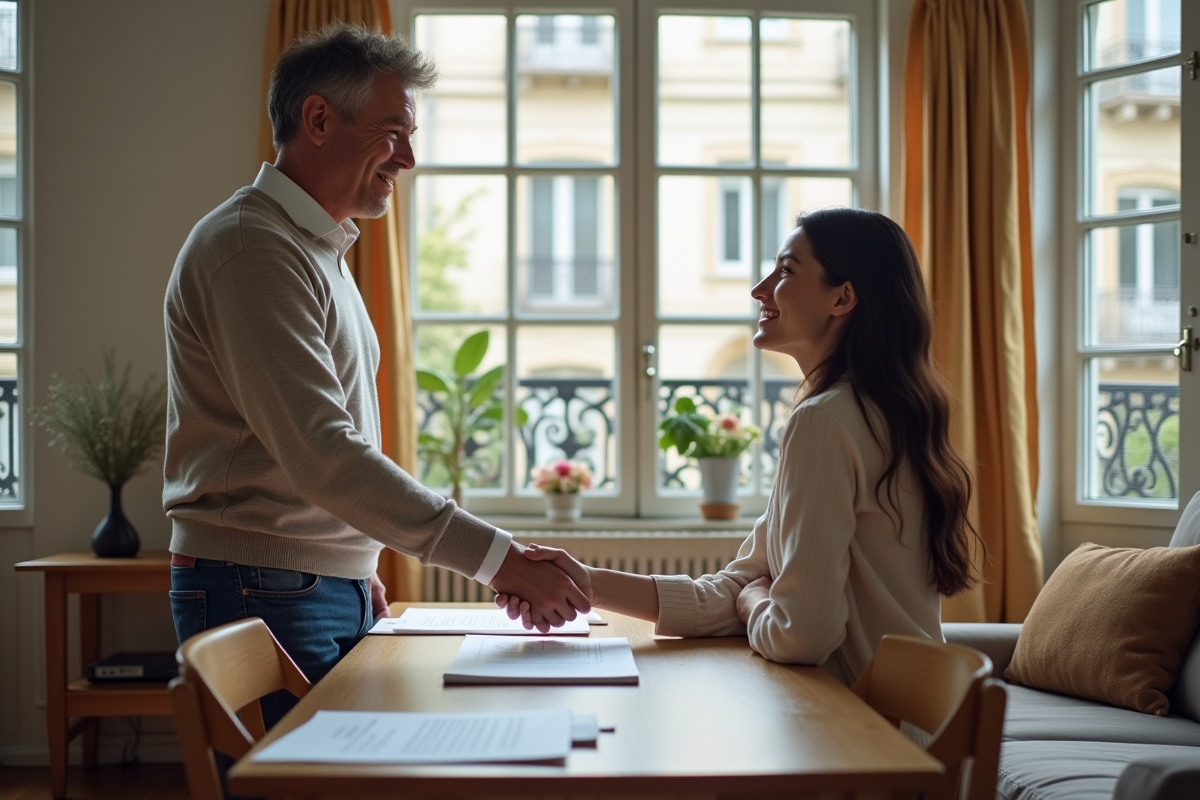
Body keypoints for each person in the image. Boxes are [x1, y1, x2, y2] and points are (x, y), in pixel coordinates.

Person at [164, 23, 587, 726]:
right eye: (394, 132)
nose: (411, 158)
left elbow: (320, 452)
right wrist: (500, 560)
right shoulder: (252, 250)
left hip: (309, 584)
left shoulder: (312, 250)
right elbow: (323, 454)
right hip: (261, 587)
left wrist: (355, 570)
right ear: (320, 119)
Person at [498, 207, 981, 685]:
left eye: (786, 270)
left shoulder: (824, 422)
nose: (760, 289)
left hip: (867, 734)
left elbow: (798, 636)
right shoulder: (882, 413)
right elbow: (735, 586)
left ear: (843, 298)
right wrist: (584, 581)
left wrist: (754, 603)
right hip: (902, 730)